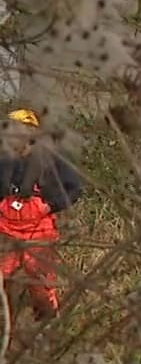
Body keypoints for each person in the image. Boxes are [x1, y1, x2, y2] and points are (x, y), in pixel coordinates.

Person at [0, 108, 85, 322]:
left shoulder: (52, 160)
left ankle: (48, 327)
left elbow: (74, 188)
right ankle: (8, 327)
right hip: (5, 230)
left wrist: (49, 205)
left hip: (39, 232)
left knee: (41, 285)